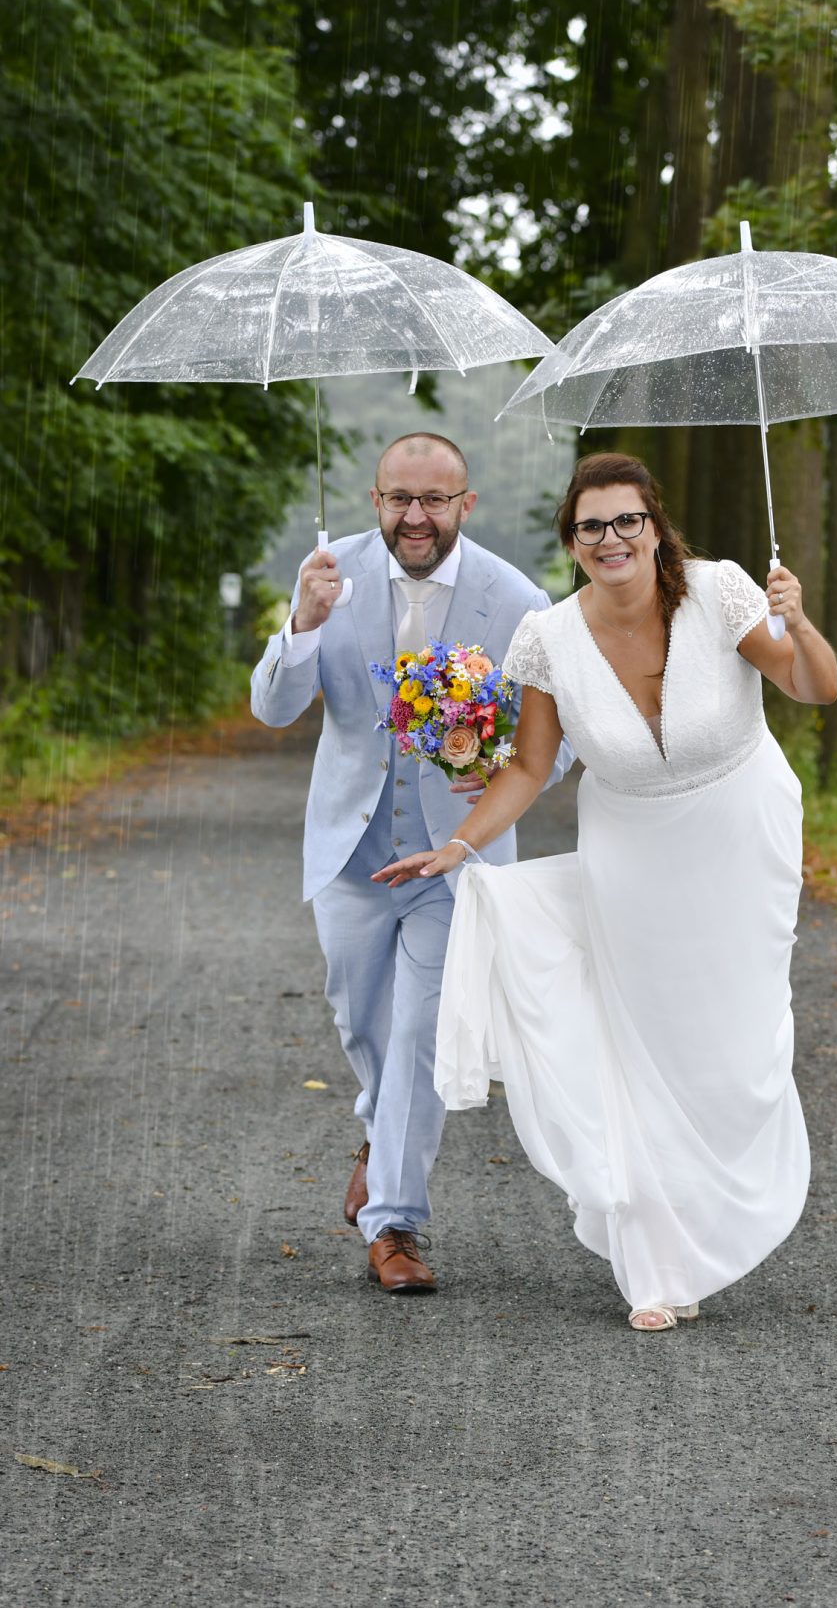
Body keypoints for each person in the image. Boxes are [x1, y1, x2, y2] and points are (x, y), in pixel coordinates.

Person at [374, 451, 837, 1330]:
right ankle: (660, 1264)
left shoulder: (720, 592)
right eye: (591, 526)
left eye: (628, 520)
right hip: (630, 855)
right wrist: (459, 845)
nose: (611, 538)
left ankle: (722, 1215)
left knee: (733, 1047)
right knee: (643, 1049)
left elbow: (812, 686)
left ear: (655, 527)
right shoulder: (547, 638)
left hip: (742, 838)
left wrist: (800, 622)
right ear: (572, 543)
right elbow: (530, 767)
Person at [250, 432, 572, 1294]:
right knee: (363, 1024)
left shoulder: (517, 600)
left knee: (423, 1032)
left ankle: (393, 1223)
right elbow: (274, 709)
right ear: (375, 501)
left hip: (456, 858)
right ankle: (379, 1127)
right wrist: (301, 625)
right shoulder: (329, 577)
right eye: (400, 499)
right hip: (351, 851)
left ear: (467, 503)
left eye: (435, 499)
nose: (416, 516)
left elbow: (559, 743)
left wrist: (491, 769)